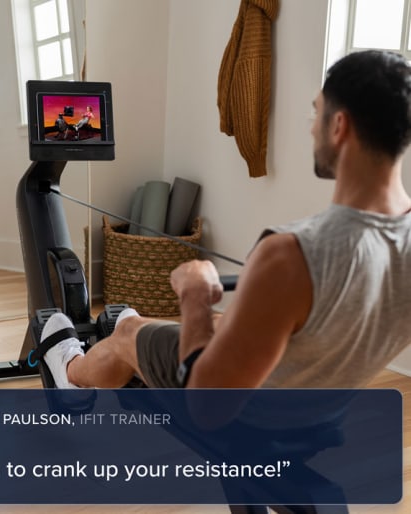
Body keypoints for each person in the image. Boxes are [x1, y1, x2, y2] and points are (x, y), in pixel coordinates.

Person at [40, 50, 411, 391]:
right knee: (216, 324)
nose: (312, 127)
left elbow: (209, 405)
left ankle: (71, 375)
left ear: (339, 126)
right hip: (314, 413)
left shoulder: (289, 254)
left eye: (317, 112)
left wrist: (196, 294)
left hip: (246, 420)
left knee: (128, 335)